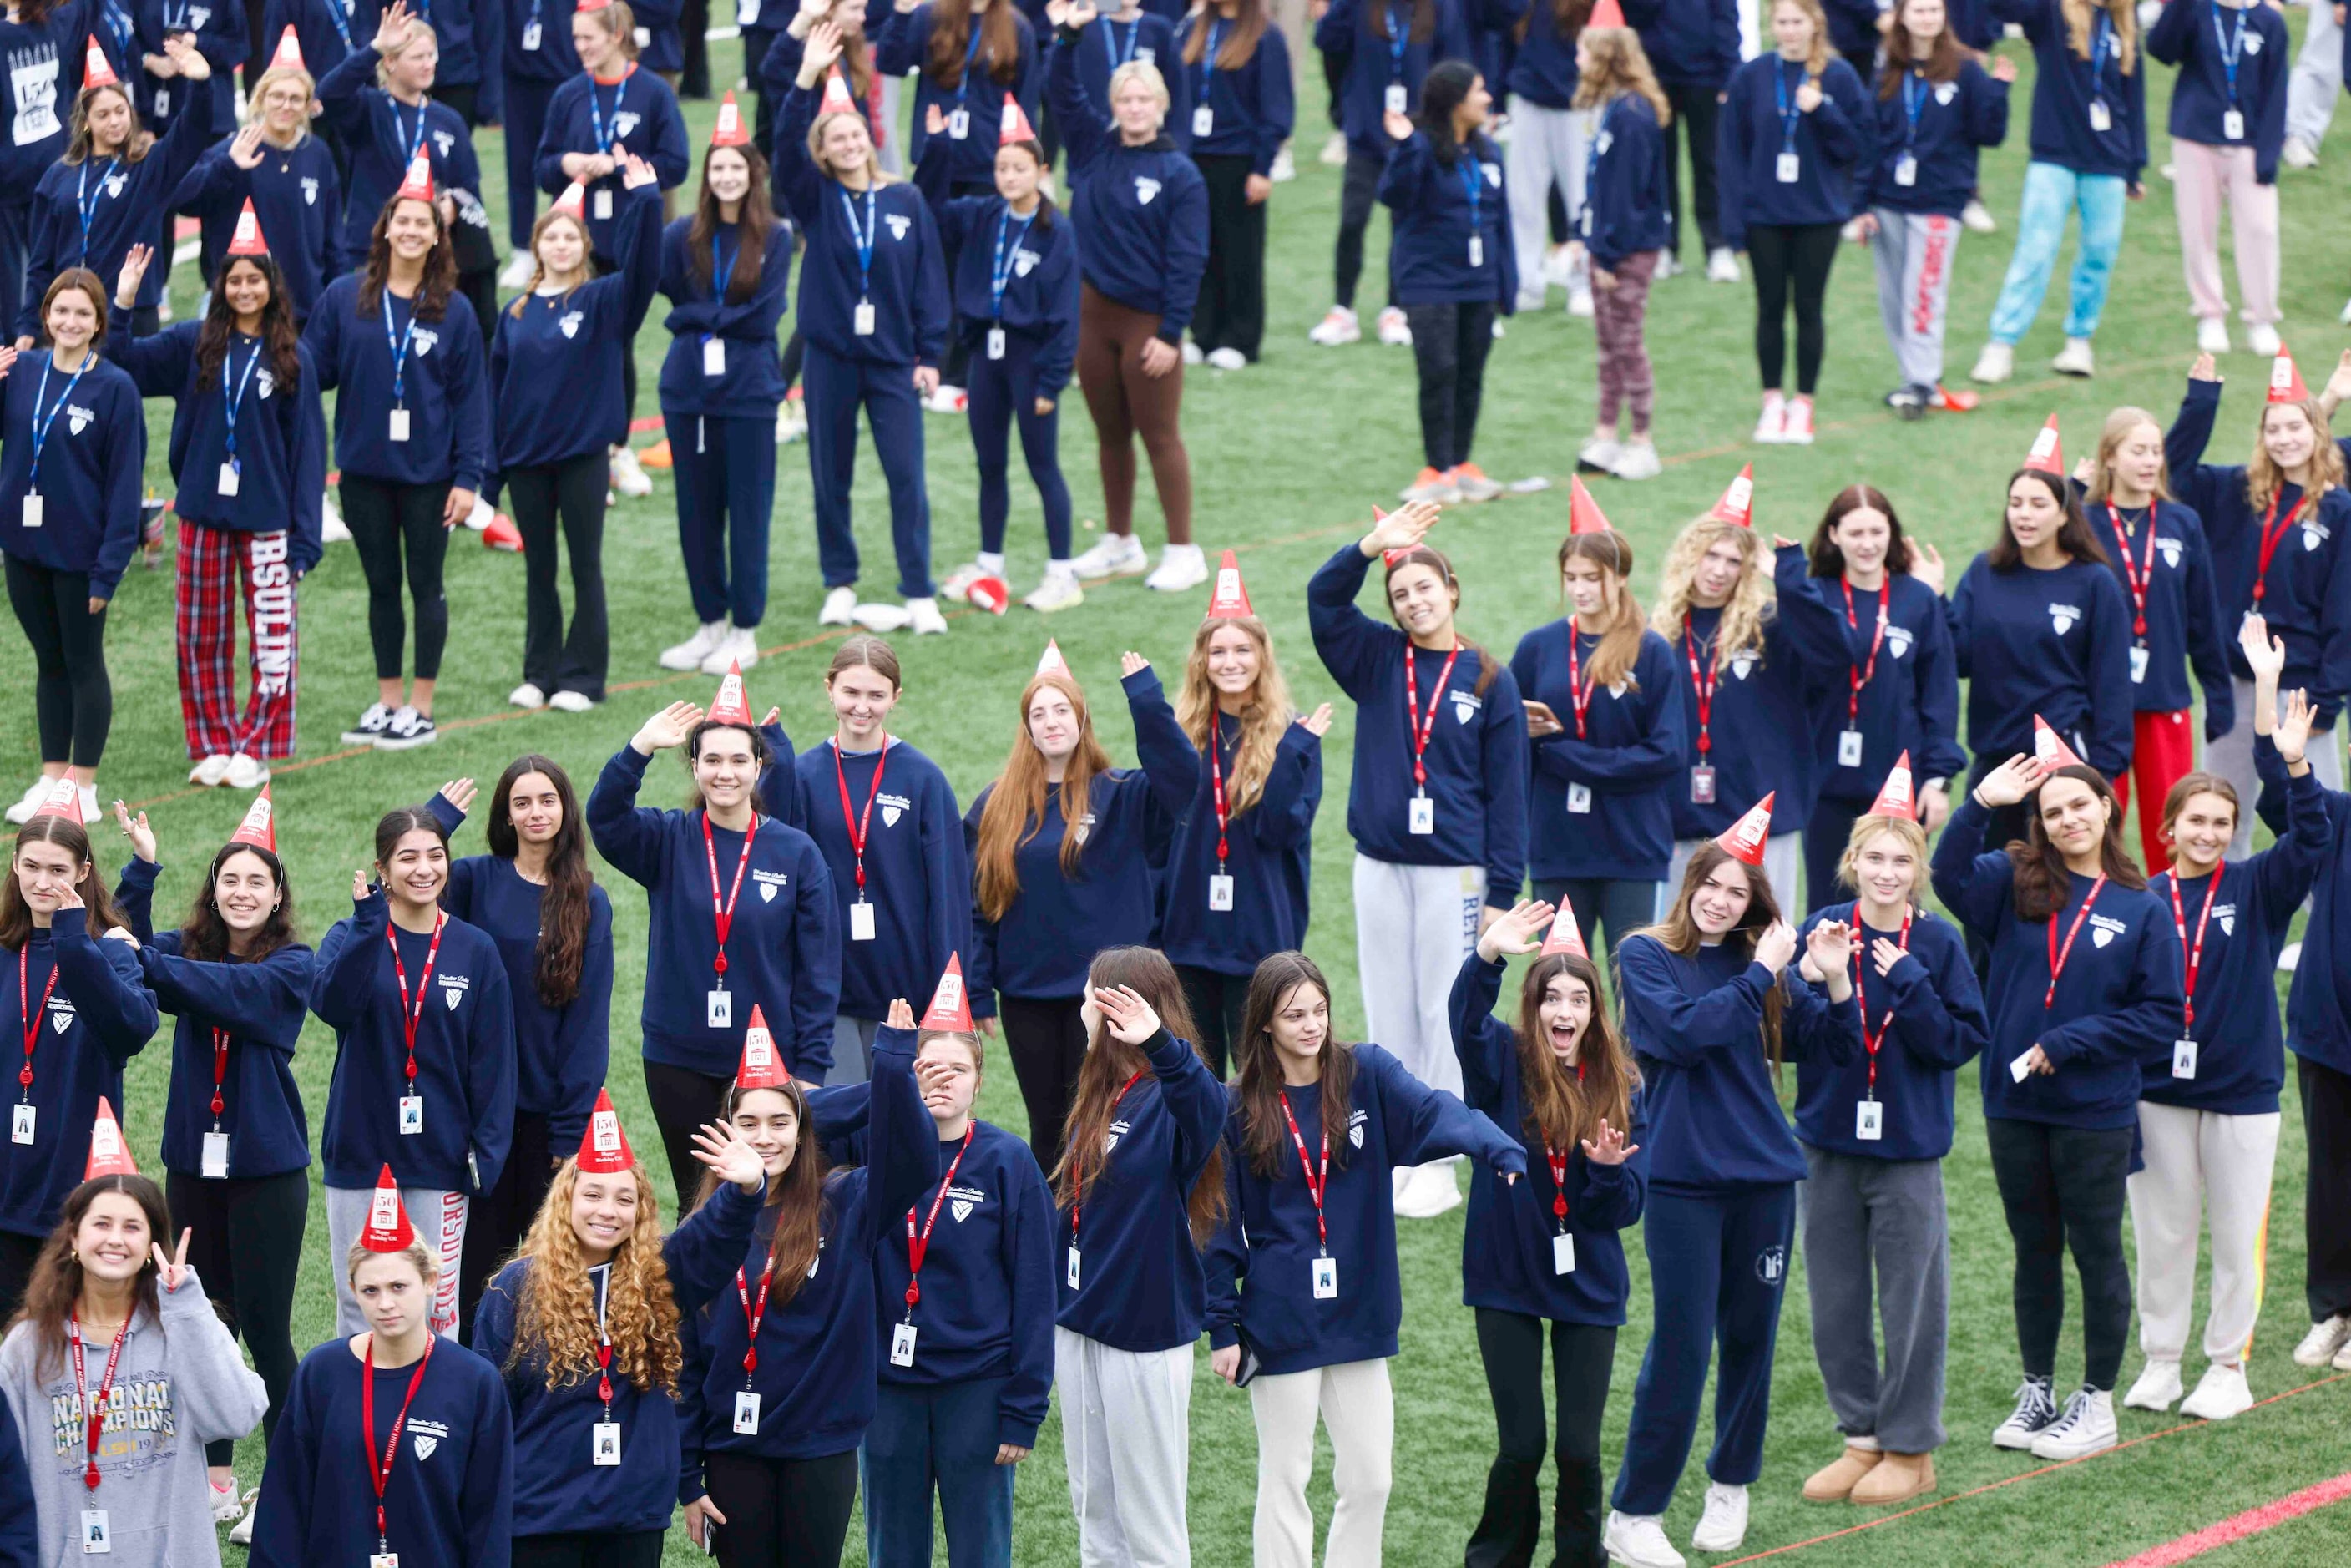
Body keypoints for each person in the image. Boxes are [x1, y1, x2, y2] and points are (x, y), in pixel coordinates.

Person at [1603, 801, 1861, 1566]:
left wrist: (1838, 980)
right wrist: (1761, 973)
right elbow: (1682, 1035)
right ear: (1690, 887)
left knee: (1750, 1340)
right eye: (1711, 885)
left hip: (1765, 1182)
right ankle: (1635, 1513)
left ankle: (1731, 1484)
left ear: (1754, 902)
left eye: (1737, 892)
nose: (1721, 900)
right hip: (1682, 1180)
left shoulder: (1766, 969)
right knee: (1681, 1344)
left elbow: (1833, 1048)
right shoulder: (1644, 954)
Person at [1206, 951, 1524, 1567]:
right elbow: (1217, 1223)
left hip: (1360, 1311)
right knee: (1285, 1480)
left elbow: (1434, 1110)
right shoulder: (1237, 1105)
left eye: (1319, 1010)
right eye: (1294, 1014)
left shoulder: (1365, 1074)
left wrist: (1494, 1146)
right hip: (1280, 1320)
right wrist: (1221, 1323)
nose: (1312, 1025)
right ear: (1265, 1024)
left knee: (1371, 1479)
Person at [1929, 743, 2182, 1460]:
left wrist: (2073, 1040)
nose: (2068, 819)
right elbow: (1943, 875)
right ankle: (2038, 1389)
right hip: (2014, 1106)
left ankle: (2096, 1401)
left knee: (2096, 1250)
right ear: (2038, 823)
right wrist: (1980, 804)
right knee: (2032, 1251)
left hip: (2094, 1110)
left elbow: (2161, 1014)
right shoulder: (2012, 881)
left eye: (2079, 805)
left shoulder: (2142, 908)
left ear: (2106, 808)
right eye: (2052, 811)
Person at [2121, 625, 2325, 1424]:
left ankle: (2226, 1367)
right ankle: (2162, 1361)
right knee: (2162, 1232)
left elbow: (2311, 837)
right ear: (2167, 829)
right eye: (2193, 821)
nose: (2207, 833)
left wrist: (2291, 749)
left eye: (2221, 821)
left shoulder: (2259, 887)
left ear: (2233, 829)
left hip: (2242, 1090)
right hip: (2156, 1089)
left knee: (2237, 1238)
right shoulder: (2139, 901)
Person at [673, 992, 944, 1568]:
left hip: (820, 1447)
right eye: (748, 1122)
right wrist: (686, 1474)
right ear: (728, 1131)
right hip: (731, 1451)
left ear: (803, 1132)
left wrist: (892, 1066)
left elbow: (919, 1161)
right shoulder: (706, 1226)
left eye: (780, 1122)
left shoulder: (847, 1202)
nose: (765, 1137)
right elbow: (685, 1356)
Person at [1309, 503, 1527, 1218]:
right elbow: (1323, 597)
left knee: (1443, 1010)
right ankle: (1396, 1142)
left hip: (1453, 873)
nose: (1413, 602)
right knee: (1390, 1007)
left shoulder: (1489, 678)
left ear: (1452, 591)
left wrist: (1502, 891)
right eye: (1401, 595)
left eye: (1425, 589)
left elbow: (1510, 796)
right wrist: (1373, 545)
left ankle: (1440, 1156)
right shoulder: (1376, 659)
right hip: (1379, 864)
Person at [111, 791, 315, 1530]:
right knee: (200, 1324)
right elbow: (119, 943)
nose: (242, 892)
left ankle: (292, 1488)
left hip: (267, 1172)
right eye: (230, 880)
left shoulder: (293, 964)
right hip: (193, 1169)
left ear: (277, 895)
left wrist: (151, 965)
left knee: (265, 1328)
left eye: (257, 881)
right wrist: (141, 868)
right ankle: (216, 1481)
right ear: (214, 890)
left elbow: (235, 995)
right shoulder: (184, 948)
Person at [1790, 765, 1989, 1506]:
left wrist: (1907, 979)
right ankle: (1860, 1436)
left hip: (1907, 1148)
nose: (1886, 871)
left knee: (1911, 1302)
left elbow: (1957, 1044)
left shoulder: (1938, 944)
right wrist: (1815, 981)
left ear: (1918, 870)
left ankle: (1911, 1448)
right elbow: (1791, 1041)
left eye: (1901, 859)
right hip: (1829, 1144)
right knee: (1835, 1297)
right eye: (1874, 857)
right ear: (1853, 862)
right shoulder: (1820, 930)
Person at [473, 1096, 768, 1568]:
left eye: (624, 1199)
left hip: (631, 1518)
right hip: (539, 1518)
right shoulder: (514, 1289)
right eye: (593, 1195)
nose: (608, 1211)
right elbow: (487, 1409)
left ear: (641, 1211)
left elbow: (712, 1240)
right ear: (565, 1202)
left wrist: (748, 1187)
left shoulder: (660, 1274)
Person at [589, 676, 840, 1204]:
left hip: (764, 1065)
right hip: (677, 1057)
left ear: (758, 766)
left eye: (737, 761)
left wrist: (810, 1069)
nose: (725, 773)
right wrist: (638, 749)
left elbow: (819, 971)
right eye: (712, 761)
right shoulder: (667, 839)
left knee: (768, 1199)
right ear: (695, 766)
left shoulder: (795, 854)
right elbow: (605, 820)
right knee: (695, 1199)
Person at [1448, 900, 1646, 1568]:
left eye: (1578, 1000)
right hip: (1505, 1275)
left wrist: (1608, 1173)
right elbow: (1465, 1022)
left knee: (1579, 1451)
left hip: (1586, 1281)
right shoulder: (1501, 1063)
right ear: (1533, 1006)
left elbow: (1621, 1211)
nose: (1564, 1012)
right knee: (1523, 1443)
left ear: (1595, 1013)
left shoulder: (1623, 1085)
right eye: (1551, 998)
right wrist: (1487, 958)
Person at [108, 220, 325, 792]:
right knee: (200, 635)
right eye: (235, 280)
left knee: (271, 638)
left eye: (255, 280)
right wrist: (126, 295)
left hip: (269, 522)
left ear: (271, 286)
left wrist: (306, 536)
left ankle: (256, 745)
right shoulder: (192, 341)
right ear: (221, 284)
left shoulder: (293, 356)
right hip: (202, 514)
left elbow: (307, 451)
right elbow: (123, 358)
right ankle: (211, 743)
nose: (245, 290)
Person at [862, 969, 1056, 1568]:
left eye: (959, 1070)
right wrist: (889, 1074)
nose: (943, 1080)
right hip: (890, 1392)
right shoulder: (874, 1150)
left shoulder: (1008, 1162)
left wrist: (1024, 1408)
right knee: (893, 1553)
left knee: (981, 1552)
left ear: (980, 1081)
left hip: (977, 1389)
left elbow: (1035, 1292)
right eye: (928, 1067)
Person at [301, 154, 492, 753]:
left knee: (425, 584)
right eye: (401, 221)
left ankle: (422, 706)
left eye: (423, 223)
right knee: (381, 585)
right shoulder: (345, 297)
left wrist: (469, 478)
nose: (410, 231)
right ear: (385, 227)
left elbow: (471, 401)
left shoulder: (454, 310)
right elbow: (311, 370)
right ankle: (388, 702)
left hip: (431, 478)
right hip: (362, 473)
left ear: (438, 235)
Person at [308, 804, 518, 1338]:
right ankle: (361, 1420)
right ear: (382, 869)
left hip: (441, 1159)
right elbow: (333, 1005)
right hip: (359, 1151)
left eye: (436, 855)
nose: (424, 869)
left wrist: (484, 1158)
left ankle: (429, 1419)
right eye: (408, 858)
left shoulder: (475, 950)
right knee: (360, 1303)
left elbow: (494, 1064)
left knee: (434, 1307)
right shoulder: (349, 934)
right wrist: (368, 926)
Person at [1048, 949, 1226, 1568]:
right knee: (1094, 1514)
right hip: (1079, 1323)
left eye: (1089, 995)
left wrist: (1161, 1044)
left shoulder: (1168, 1095)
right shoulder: (1103, 1091)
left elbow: (1211, 1108)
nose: (1079, 1007)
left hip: (1144, 1334)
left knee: (1149, 1526)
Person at [0, 1159, 268, 1567]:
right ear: (74, 1236)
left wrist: (189, 1308)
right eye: (102, 1224)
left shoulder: (183, 1326)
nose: (115, 1239)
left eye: (132, 1227)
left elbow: (236, 1417)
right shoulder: (27, 1346)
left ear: (151, 1245)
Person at [966, 647, 1174, 1171]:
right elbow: (977, 903)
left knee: (1111, 1126)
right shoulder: (997, 805)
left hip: (1109, 994)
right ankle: (1052, 1243)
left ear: (1082, 719)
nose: (1051, 721)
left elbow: (1181, 783)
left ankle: (1106, 1239)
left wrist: (1147, 702)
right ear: (1026, 728)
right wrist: (976, 990)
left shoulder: (1125, 794)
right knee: (1049, 1129)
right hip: (1027, 995)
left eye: (1062, 710)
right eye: (1039, 713)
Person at [1121, 559, 1328, 1078]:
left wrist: (1291, 756)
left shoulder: (1292, 734)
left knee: (1264, 1080)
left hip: (1261, 937)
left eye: (1243, 649)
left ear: (1262, 656)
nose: (1230, 661)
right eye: (1218, 651)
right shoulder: (1186, 730)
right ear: (1201, 660)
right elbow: (1169, 808)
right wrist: (1148, 707)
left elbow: (1280, 830)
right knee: (1196, 1076)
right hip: (1188, 935)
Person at [248, 1170, 513, 1568]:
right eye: (371, 1290)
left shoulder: (475, 1382)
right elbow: (285, 1504)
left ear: (430, 1281)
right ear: (353, 1291)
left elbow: (489, 1518)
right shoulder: (321, 1374)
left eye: (399, 1287)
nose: (385, 1303)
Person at [778, 36, 953, 635]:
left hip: (892, 363)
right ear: (823, 150)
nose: (849, 144)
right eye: (836, 138)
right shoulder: (815, 198)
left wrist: (931, 354)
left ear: (869, 137)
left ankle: (919, 588)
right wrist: (804, 81)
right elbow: (781, 151)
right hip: (830, 359)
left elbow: (930, 281)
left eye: (855, 133)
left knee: (907, 475)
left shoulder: (904, 198)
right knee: (832, 475)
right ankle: (840, 580)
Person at [438, 758, 617, 1338]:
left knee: (551, 1276)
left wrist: (570, 1132)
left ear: (565, 810)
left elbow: (588, 1027)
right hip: (478, 1116)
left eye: (547, 800)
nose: (535, 812)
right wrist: (436, 821)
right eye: (522, 802)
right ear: (505, 814)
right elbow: (400, 883)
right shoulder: (471, 881)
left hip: (548, 1124)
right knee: (475, 1272)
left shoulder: (589, 901)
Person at [1046, 3, 1212, 594]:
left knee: (1159, 434)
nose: (1135, 108)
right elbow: (1059, 89)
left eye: (1145, 99)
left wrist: (1171, 333)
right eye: (1125, 99)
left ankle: (1183, 548)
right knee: (1109, 432)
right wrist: (1068, 37)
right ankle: (1119, 540)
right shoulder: (1093, 147)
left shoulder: (1179, 174)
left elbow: (1187, 260)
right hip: (1093, 317)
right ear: (1113, 105)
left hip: (1148, 323)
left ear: (1162, 104)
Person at [489, 160, 663, 711]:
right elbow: (497, 394)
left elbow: (643, 271)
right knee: (539, 569)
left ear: (583, 246)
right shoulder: (514, 312)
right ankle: (539, 673)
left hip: (583, 459)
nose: (560, 246)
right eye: (551, 237)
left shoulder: (603, 300)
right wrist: (490, 477)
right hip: (526, 462)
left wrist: (646, 202)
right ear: (538, 246)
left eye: (570, 237)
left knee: (584, 567)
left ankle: (583, 678)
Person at [2165, 348, 2351, 852]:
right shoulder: (2236, 490)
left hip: (2300, 693)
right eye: (2274, 429)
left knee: (2318, 826)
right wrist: (2201, 404)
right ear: (2262, 436)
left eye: (2296, 427)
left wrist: (2327, 698)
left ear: (2318, 432)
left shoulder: (2339, 509)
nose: (2285, 439)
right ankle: (2227, 928)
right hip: (2235, 684)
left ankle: (2329, 932)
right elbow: (2171, 474)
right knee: (2220, 820)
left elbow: (2343, 612)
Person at [1649, 470, 1851, 918]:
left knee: (1762, 954)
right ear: (1689, 558)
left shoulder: (1772, 626)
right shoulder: (1659, 634)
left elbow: (1836, 651)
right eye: (1710, 556)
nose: (1719, 570)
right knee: (1680, 950)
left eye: (1733, 560)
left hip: (1762, 822)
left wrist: (1789, 576)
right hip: (1682, 823)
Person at [1931, 423, 2135, 846]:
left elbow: (2112, 682)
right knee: (1991, 888)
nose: (2024, 514)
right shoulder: (1984, 572)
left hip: (2063, 763)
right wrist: (1937, 601)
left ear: (2064, 513)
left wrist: (2104, 771)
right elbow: (1962, 660)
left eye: (2038, 504)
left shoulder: (2094, 582)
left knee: (2061, 890)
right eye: (2016, 503)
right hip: (1996, 759)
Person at [920, 96, 1084, 615]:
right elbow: (928, 205)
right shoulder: (982, 215)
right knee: (989, 463)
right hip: (985, 359)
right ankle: (990, 563)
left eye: (1019, 168)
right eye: (1001, 168)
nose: (1009, 177)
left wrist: (1051, 382)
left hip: (1032, 360)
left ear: (1040, 170)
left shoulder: (1057, 231)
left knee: (1042, 465)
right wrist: (940, 148)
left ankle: (1062, 572)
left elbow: (1064, 313)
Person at [648, 102, 795, 675]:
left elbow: (764, 318)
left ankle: (744, 627)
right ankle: (710, 621)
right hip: (688, 394)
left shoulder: (775, 236)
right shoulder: (683, 234)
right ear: (707, 176)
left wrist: (695, 318)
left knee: (748, 511)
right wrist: (702, 317)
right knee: (696, 510)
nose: (727, 177)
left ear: (752, 173)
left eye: (737, 168)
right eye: (717, 169)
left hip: (750, 394)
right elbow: (660, 288)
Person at [1512, 492, 1686, 968]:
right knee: (1558, 987)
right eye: (1571, 578)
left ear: (1621, 577)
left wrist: (1562, 756)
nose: (1580, 589)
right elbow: (1507, 745)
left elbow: (1667, 755)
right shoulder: (1538, 648)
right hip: (1557, 846)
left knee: (1636, 987)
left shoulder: (1650, 652)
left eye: (1593, 577)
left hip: (1632, 848)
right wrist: (1525, 741)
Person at [0, 794, 156, 1319]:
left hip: (71, 1203)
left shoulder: (111, 950)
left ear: (83, 871)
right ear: (15, 867)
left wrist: (71, 936)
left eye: (58, 870)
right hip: (4, 1189)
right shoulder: (5, 951)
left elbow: (132, 1030)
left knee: (63, 1359)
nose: (43, 882)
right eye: (32, 867)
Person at [788, 635, 971, 1084]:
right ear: (829, 688)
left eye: (876, 695)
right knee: (839, 1137)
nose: (862, 707)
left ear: (895, 697)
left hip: (907, 998)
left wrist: (949, 995)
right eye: (851, 692)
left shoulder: (922, 778)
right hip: (829, 996)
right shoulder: (803, 776)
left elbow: (949, 895)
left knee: (907, 1131)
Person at [0, 273, 146, 827]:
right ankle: (50, 776)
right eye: (61, 311)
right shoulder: (24, 370)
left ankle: (82, 786)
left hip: (81, 555)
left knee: (83, 662)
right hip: (23, 547)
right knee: (48, 661)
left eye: (82, 313)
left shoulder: (114, 388)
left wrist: (109, 569)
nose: (70, 322)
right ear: (46, 314)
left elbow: (124, 484)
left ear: (98, 322)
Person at [533, 0, 690, 497]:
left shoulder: (653, 92)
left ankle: (617, 449)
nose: (579, 48)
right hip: (575, 247)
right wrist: (570, 161)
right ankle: (585, 453)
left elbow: (677, 164)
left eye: (588, 38)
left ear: (617, 34)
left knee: (616, 348)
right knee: (576, 346)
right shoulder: (567, 95)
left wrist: (622, 169)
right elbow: (541, 169)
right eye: (576, 38)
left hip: (630, 242)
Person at [2076, 404, 2233, 866]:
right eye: (2137, 451)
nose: (2149, 462)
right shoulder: (2083, 523)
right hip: (2099, 704)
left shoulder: (2181, 522)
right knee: (2096, 830)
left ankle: (2172, 930)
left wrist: (2218, 692)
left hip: (2164, 699)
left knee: (2170, 831)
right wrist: (2068, 490)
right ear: (2109, 457)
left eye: (2156, 452)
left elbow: (2204, 617)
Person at [1797, 484, 1964, 906]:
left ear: (1891, 532)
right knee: (1828, 904)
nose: (1867, 544)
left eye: (1877, 531)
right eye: (1855, 533)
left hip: (1898, 785)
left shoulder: (1918, 600)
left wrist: (1940, 781)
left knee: (1895, 903)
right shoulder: (1815, 597)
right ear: (1833, 535)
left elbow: (1940, 698)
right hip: (1825, 785)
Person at [1716, 0, 1869, 447]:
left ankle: (1803, 403)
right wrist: (1733, 224)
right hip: (1764, 214)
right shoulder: (1752, 77)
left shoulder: (1838, 76)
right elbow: (1731, 153)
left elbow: (1857, 146)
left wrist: (1823, 110)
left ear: (1814, 24)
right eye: (1781, 22)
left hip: (1818, 215)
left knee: (1808, 307)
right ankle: (1771, 402)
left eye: (1797, 22)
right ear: (1771, 26)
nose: (1789, 31)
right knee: (1768, 307)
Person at [1969, 0, 2145, 383]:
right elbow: (2003, 10)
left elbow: (2134, 97)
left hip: (2109, 160)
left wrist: (2136, 165)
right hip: (2054, 155)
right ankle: (2001, 344)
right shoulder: (2052, 12)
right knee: (2036, 249)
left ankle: (2079, 340)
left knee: (2099, 252)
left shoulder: (2124, 24)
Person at [875, 0, 1039, 405]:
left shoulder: (1016, 27)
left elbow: (1028, 98)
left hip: (990, 169)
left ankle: (962, 370)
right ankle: (927, 359)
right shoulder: (930, 16)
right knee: (929, 266)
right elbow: (892, 63)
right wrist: (899, 15)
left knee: (976, 269)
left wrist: (1025, 164)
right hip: (936, 164)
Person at [1855, 0, 2010, 417]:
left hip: (1939, 203)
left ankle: (1924, 382)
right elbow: (1871, 137)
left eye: (1934, 10)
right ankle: (1915, 378)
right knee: (1893, 297)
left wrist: (1999, 93)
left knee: (1923, 294)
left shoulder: (1966, 69)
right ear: (1902, 16)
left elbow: (1989, 135)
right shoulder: (1888, 68)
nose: (1927, 17)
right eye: (1918, 10)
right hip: (1887, 201)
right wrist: (1860, 203)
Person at [1379, 60, 1514, 507]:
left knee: (1471, 373)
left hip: (1478, 284)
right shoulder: (1419, 148)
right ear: (1456, 101)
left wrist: (1506, 286)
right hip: (1430, 283)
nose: (1487, 97)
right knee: (1438, 371)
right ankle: (1437, 467)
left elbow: (1501, 223)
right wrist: (1405, 149)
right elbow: (1392, 196)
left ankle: (1460, 463)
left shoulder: (1487, 151)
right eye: (1479, 90)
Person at [18, 38, 213, 345]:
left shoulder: (149, 167)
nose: (115, 122)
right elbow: (41, 263)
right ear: (85, 123)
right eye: (103, 115)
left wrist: (201, 83)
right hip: (73, 313)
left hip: (131, 310)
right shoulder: (57, 178)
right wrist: (28, 326)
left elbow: (192, 133)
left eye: (120, 111)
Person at [1305, 0, 1473, 351]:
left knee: (1406, 225)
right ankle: (1342, 309)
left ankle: (1397, 309)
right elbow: (1328, 42)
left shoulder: (1440, 7)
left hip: (1415, 139)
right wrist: (1345, 104)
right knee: (1353, 220)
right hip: (1366, 133)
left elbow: (1452, 66)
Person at [316, 4, 493, 327]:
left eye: (432, 56)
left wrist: (453, 203)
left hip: (430, 250)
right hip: (373, 248)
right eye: (418, 57)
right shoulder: (368, 108)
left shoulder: (448, 120)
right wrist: (372, 49)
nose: (429, 65)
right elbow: (328, 93)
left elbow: (470, 188)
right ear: (391, 62)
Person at [169, 36, 345, 324]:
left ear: (308, 106)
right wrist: (228, 166)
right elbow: (182, 199)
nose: (286, 106)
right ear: (261, 98)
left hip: (303, 308)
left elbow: (333, 238)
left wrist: (333, 297)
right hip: (239, 306)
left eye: (295, 98)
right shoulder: (232, 149)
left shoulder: (319, 154)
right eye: (277, 96)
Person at [2145, 0, 2287, 358]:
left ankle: (2261, 318)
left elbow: (2276, 91)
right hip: (2195, 137)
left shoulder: (2268, 21)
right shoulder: (2195, 9)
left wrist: (2269, 154)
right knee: (2198, 229)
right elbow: (2161, 49)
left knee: (2260, 229)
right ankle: (2210, 313)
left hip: (2250, 141)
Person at [1566, 13, 1671, 482]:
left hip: (1625, 250)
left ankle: (1642, 441)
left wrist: (1607, 254)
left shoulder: (1632, 116)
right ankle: (1606, 433)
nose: (1577, 57)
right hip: (1605, 245)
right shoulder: (1615, 108)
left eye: (1585, 50)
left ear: (1605, 56)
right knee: (1608, 344)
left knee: (1627, 343)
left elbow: (1629, 196)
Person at [1178, 0, 1292, 368]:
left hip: (1240, 160)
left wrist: (1262, 167)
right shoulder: (1192, 28)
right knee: (1199, 249)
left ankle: (1240, 339)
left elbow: (1276, 108)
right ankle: (1203, 333)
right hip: (1194, 158)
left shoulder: (1265, 35)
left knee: (1239, 251)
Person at [1495, 0, 1598, 320]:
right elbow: (1500, 31)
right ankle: (1527, 282)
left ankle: (1584, 282)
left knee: (1582, 199)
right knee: (1522, 197)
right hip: (1529, 100)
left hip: (1578, 104)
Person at [0, 0, 90, 345]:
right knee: (61, 270)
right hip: (56, 172)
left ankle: (19, 355)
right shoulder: (59, 24)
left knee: (14, 287)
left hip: (13, 182)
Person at [1631, 0, 1738, 282]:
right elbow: (1632, 13)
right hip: (1655, 77)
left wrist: (1730, 75)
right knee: (1659, 165)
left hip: (1705, 77)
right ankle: (1664, 245)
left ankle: (1717, 246)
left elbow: (1725, 17)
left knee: (1709, 163)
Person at [498, 0, 587, 285]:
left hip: (564, 76)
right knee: (519, 165)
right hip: (518, 78)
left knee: (562, 167)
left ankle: (565, 243)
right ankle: (522, 250)